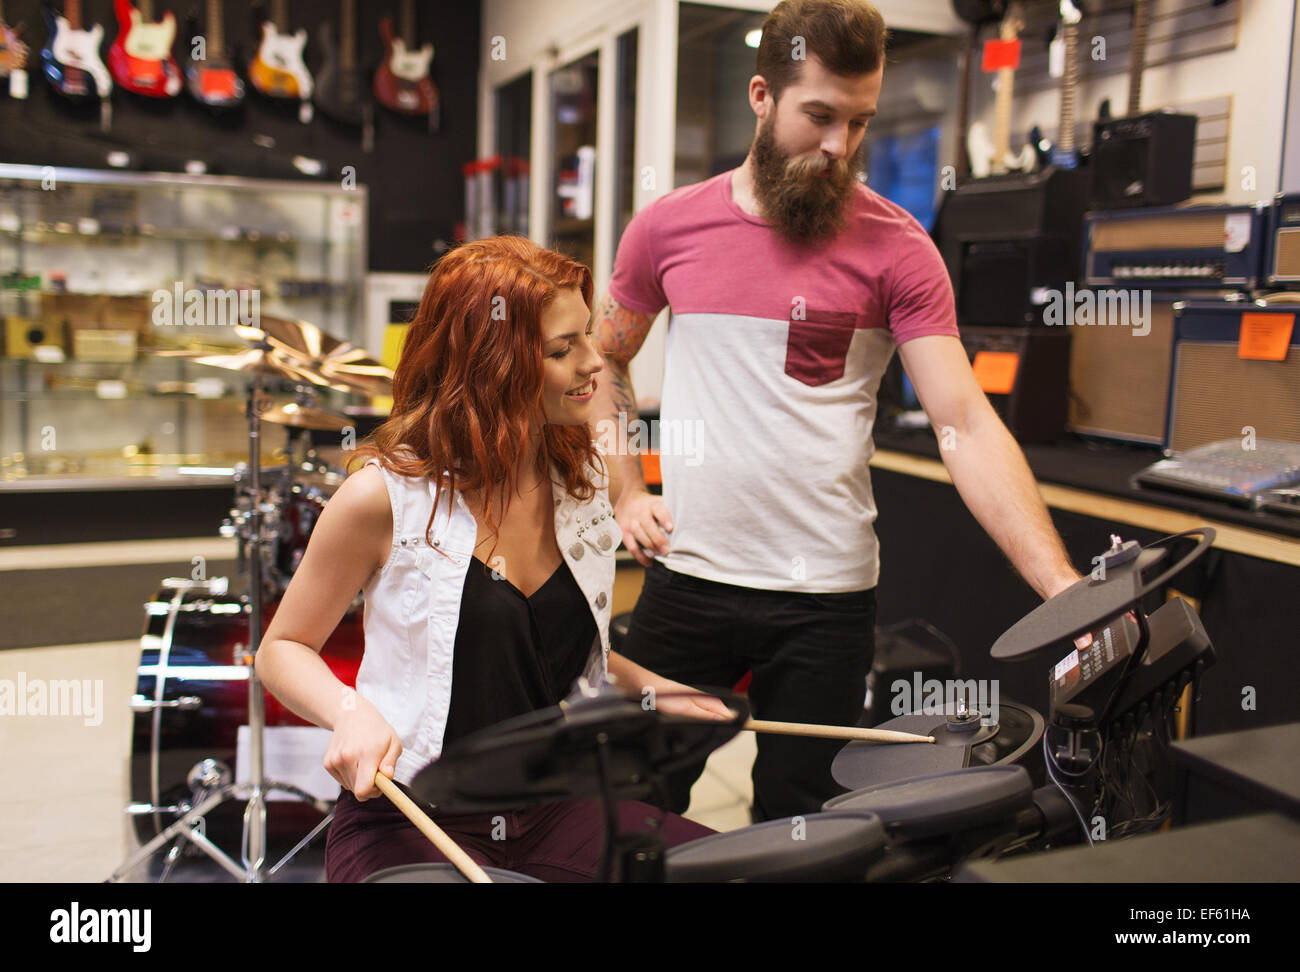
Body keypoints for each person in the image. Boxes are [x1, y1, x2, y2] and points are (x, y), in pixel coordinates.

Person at [589, 0, 1083, 822]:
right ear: (762, 95)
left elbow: (964, 422)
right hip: (688, 580)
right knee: (636, 811)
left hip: (826, 599)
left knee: (804, 831)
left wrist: (1062, 588)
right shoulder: (667, 228)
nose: (838, 146)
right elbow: (607, 352)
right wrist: (625, 492)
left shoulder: (899, 248)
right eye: (818, 116)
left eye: (858, 123)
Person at [255, 235, 730, 883]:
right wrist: (348, 711)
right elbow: (281, 648)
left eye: (589, 337)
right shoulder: (382, 497)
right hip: (410, 812)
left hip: (554, 802)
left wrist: (651, 687)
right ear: (493, 362)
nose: (597, 363)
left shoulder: (581, 480)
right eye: (565, 349)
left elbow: (541, 645)